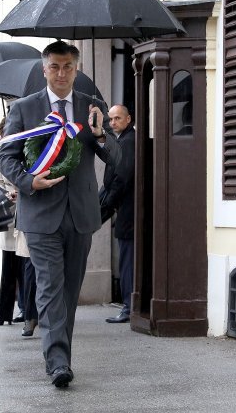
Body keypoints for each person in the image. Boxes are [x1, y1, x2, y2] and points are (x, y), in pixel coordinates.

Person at [0, 41, 120, 388]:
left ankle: (59, 353)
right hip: (39, 214)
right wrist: (28, 181)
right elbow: (4, 157)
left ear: (76, 69)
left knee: (69, 292)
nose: (62, 73)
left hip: (80, 214)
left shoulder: (92, 107)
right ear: (44, 69)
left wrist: (99, 134)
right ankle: (58, 362)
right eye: (55, 66)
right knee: (50, 288)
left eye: (68, 66)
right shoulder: (24, 109)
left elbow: (116, 159)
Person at [99, 105, 135, 324]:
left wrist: (108, 204)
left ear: (128, 119)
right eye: (110, 119)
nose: (113, 123)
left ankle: (128, 307)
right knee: (127, 258)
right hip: (126, 209)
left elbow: (121, 178)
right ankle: (129, 306)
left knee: (127, 260)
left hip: (128, 211)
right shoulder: (122, 140)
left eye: (117, 118)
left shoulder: (128, 142)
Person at [0, 117, 24, 327]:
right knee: (8, 267)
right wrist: (8, 192)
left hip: (23, 212)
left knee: (24, 267)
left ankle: (25, 310)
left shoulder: (23, 150)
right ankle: (3, 313)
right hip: (7, 213)